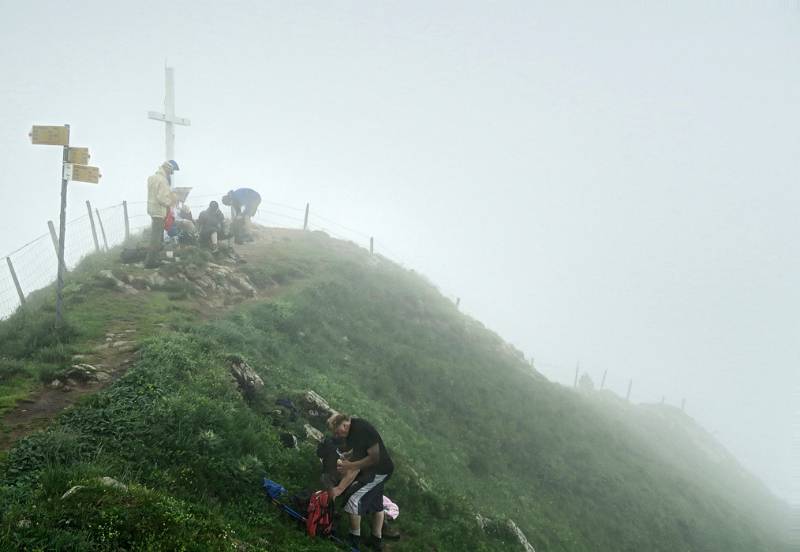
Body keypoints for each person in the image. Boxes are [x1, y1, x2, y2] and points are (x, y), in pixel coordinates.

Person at [328, 413, 394, 551]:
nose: (336, 435)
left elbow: (373, 459)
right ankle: (376, 541)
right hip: (376, 467)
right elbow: (360, 453)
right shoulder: (351, 433)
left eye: (337, 431)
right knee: (377, 504)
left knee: (353, 500)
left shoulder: (361, 429)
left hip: (379, 469)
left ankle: (354, 542)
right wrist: (348, 457)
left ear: (345, 425)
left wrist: (340, 488)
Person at [145, 160, 179, 268]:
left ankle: (155, 258)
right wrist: (171, 202)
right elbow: (161, 198)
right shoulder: (163, 180)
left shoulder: (152, 177)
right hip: (159, 210)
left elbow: (154, 194)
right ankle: (150, 262)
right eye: (171, 171)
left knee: (158, 236)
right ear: (168, 169)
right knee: (156, 237)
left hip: (152, 208)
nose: (171, 174)